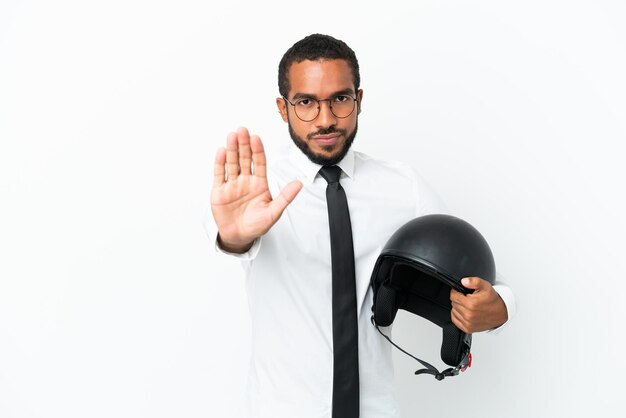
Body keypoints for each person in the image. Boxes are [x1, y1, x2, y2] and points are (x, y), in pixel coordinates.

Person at [208, 34, 515, 418]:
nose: (326, 119)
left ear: (359, 100)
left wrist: (498, 309)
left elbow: (484, 282)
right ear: (283, 109)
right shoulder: (256, 187)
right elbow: (228, 235)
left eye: (340, 98)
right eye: (305, 102)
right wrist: (235, 238)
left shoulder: (403, 187)